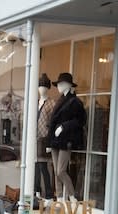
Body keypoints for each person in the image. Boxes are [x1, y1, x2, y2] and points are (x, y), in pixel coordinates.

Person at [48, 72, 86, 203]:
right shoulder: (59, 100)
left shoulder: (75, 102)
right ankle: (59, 198)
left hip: (66, 140)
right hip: (55, 140)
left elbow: (81, 121)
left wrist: (64, 126)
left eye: (61, 84)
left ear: (68, 85)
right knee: (55, 171)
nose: (59, 86)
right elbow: (52, 122)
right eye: (58, 84)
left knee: (60, 171)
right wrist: (49, 142)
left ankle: (71, 195)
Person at [35, 73, 55, 207]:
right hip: (34, 139)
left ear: (48, 88)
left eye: (44, 86)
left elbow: (53, 123)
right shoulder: (35, 102)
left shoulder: (52, 103)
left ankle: (49, 194)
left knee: (43, 167)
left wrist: (50, 141)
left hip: (44, 139)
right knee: (35, 166)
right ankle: (36, 191)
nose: (41, 89)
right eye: (40, 86)